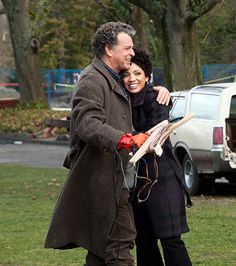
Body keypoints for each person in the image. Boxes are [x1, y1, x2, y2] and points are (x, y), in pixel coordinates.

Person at [44, 22, 170, 266]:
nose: (132, 53)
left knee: (101, 250)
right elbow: (87, 124)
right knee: (120, 246)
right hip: (103, 180)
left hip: (114, 178)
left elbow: (130, 103)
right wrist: (125, 140)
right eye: (127, 48)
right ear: (108, 49)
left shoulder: (111, 78)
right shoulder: (92, 80)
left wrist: (158, 91)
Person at [122, 49, 193, 266]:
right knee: (144, 241)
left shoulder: (156, 98)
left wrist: (142, 140)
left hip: (162, 177)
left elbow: (157, 133)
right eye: (126, 74)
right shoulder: (120, 100)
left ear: (147, 76)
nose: (132, 79)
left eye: (137, 73)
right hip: (135, 181)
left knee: (171, 239)